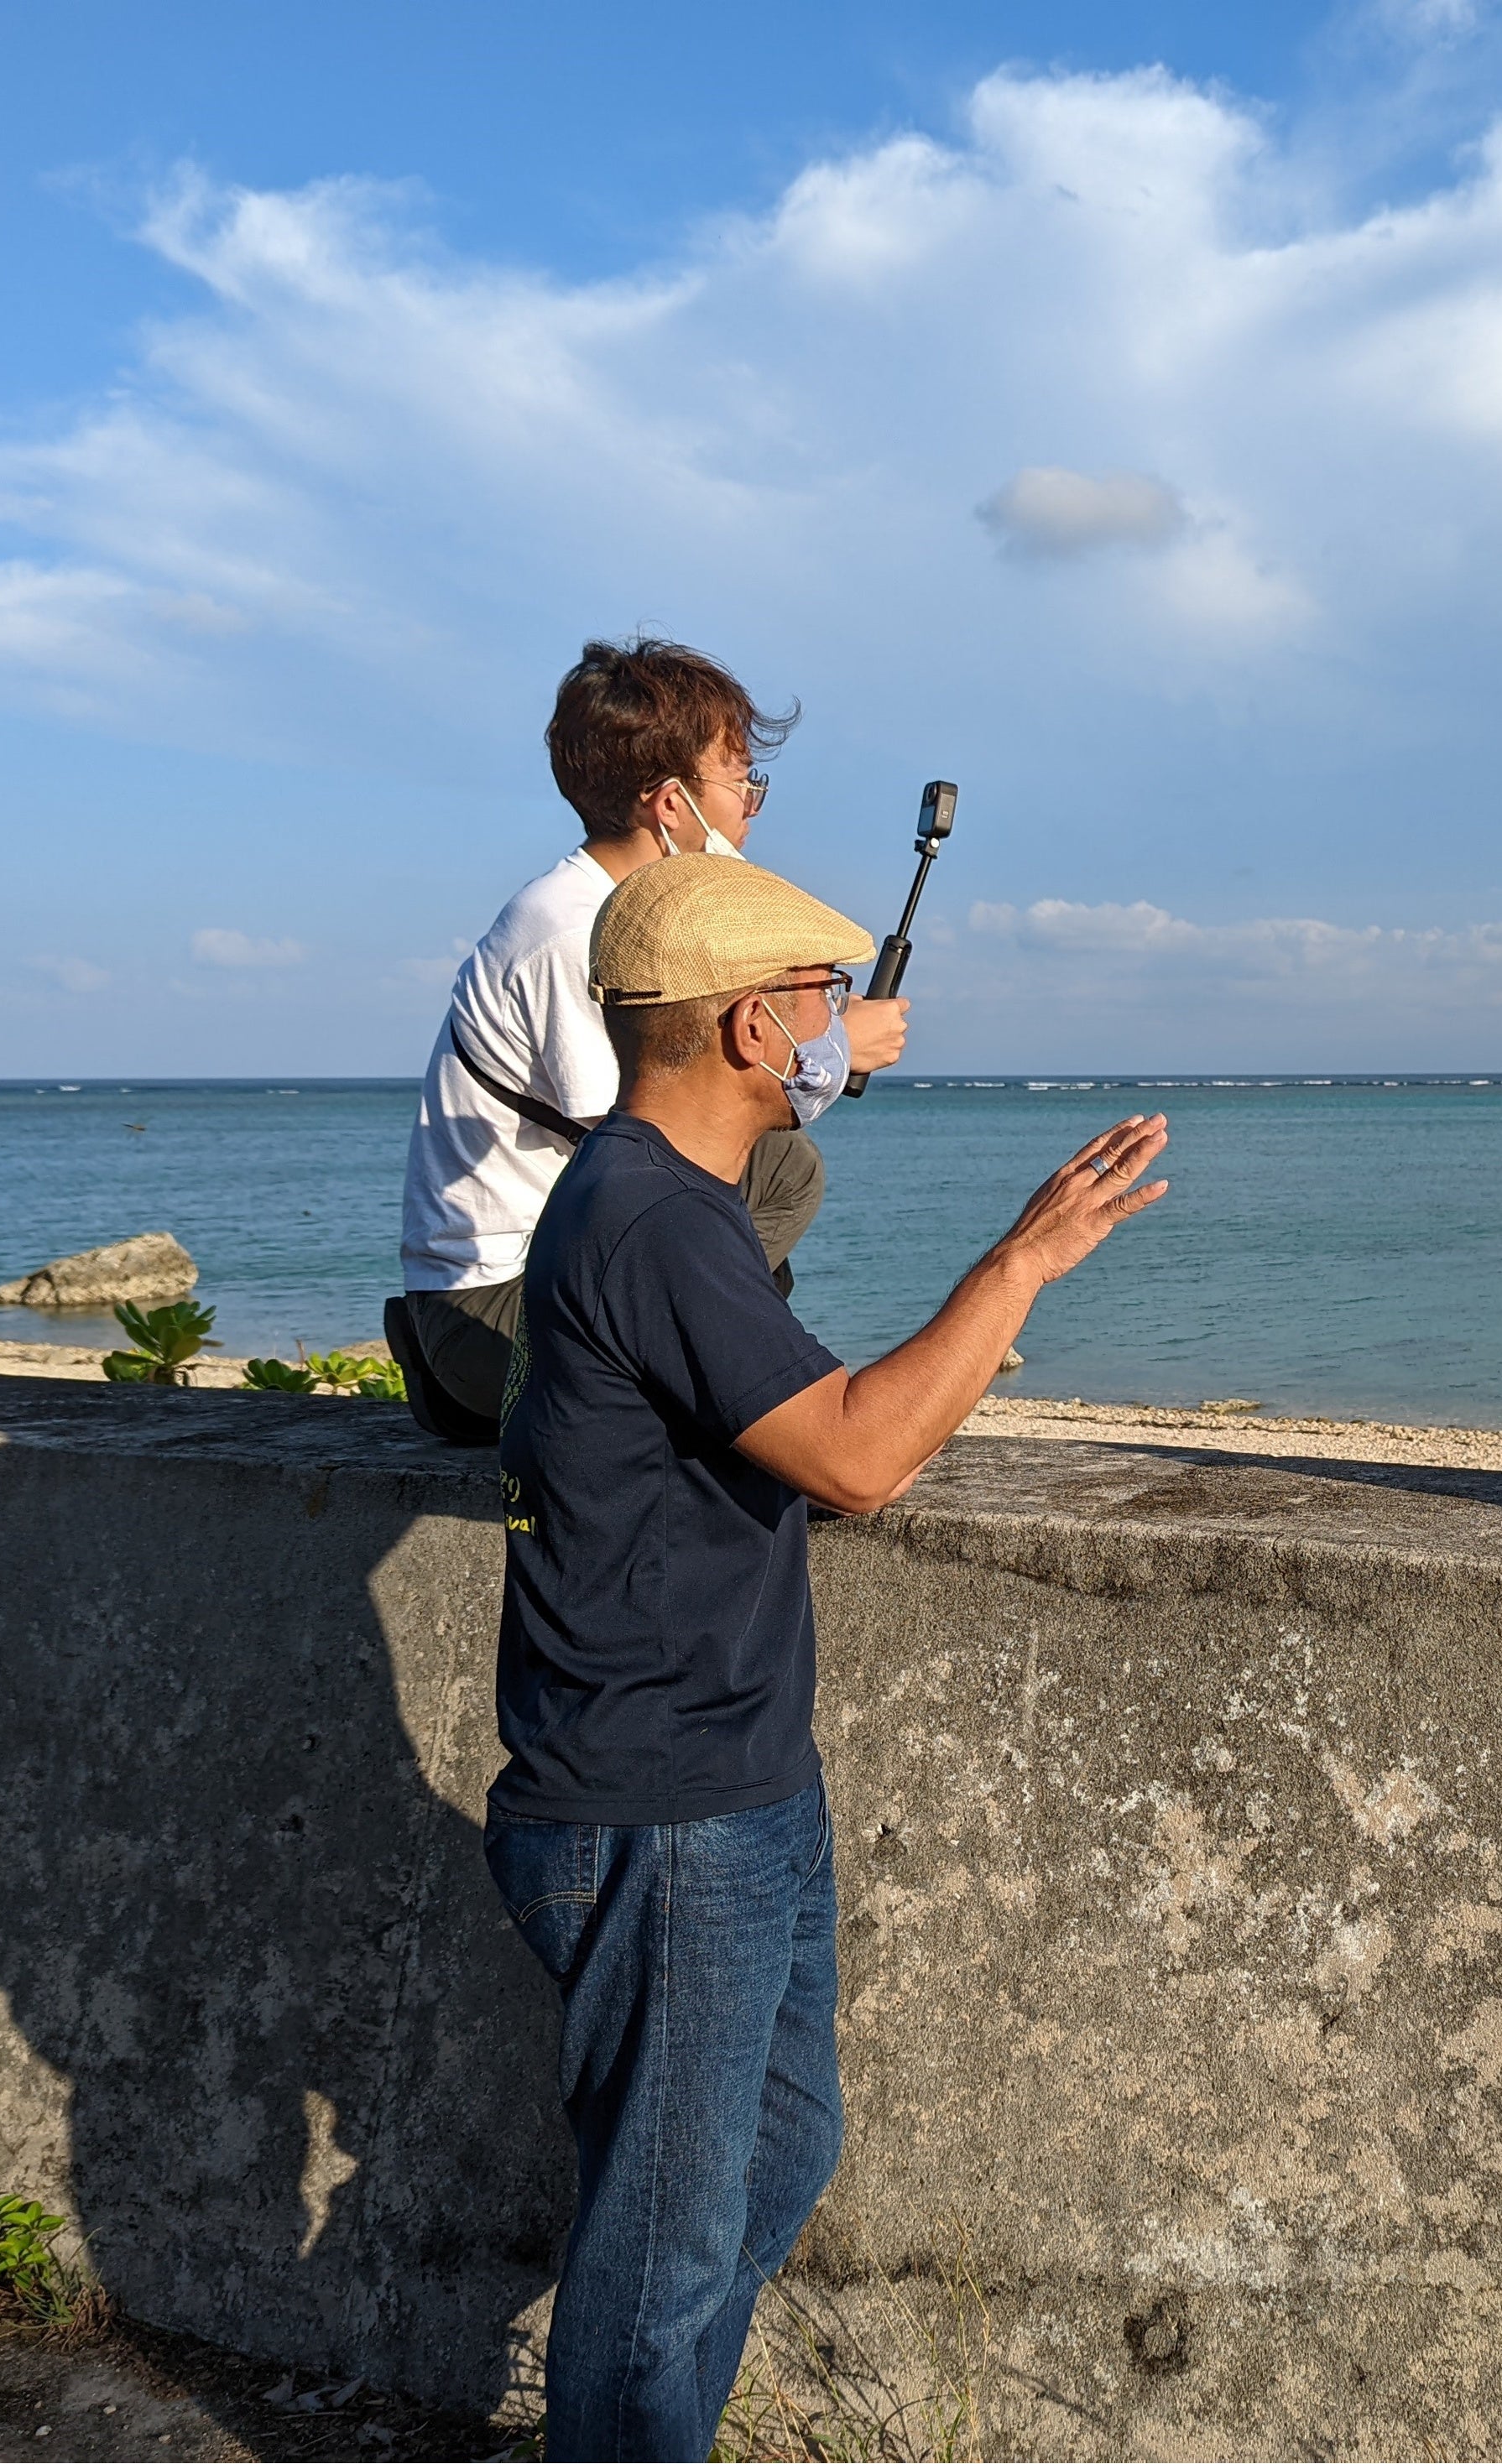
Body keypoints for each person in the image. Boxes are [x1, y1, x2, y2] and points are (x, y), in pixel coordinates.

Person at [482, 848, 1170, 2462]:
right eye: (821, 997)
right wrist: (1018, 1265)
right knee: (660, 2257)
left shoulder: (666, 1201)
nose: (840, 1026)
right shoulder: (654, 1216)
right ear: (746, 1028)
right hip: (661, 1810)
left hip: (736, 1785)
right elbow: (860, 1456)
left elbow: (809, 1431)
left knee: (779, 2156)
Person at [391, 638, 910, 1438]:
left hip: (543, 1279)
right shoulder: (575, 932)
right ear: (671, 803)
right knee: (739, 1194)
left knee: (782, 1168)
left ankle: (708, 1364)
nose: (750, 808)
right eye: (741, 782)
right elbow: (647, 1147)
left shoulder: (622, 915)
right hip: (490, 1309)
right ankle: (703, 1377)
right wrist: (831, 1051)